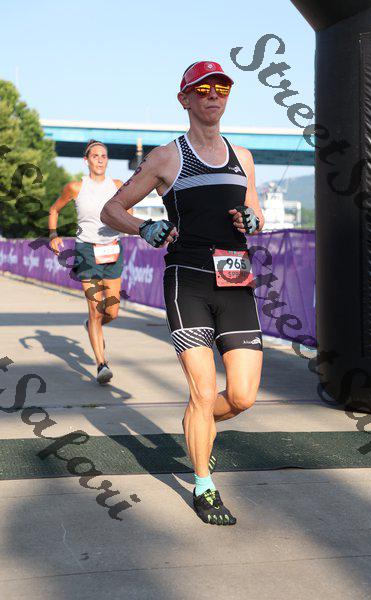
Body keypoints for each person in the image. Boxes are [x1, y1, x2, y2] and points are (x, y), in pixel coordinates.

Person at [101, 60, 264, 525]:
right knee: (203, 391)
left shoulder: (243, 157)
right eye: (204, 89)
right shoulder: (166, 157)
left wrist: (252, 220)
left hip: (235, 281)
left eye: (221, 89)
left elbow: (256, 215)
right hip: (187, 282)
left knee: (243, 396)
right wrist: (143, 226)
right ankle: (204, 485)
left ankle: (198, 424)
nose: (214, 95)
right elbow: (113, 209)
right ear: (185, 99)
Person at [48, 139, 129, 384]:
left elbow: (128, 212)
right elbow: (54, 210)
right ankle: (102, 364)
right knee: (95, 309)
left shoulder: (118, 186)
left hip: (112, 249)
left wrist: (131, 220)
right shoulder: (75, 187)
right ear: (86, 160)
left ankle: (92, 325)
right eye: (95, 156)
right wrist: (53, 235)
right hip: (86, 251)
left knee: (111, 312)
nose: (100, 160)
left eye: (104, 156)